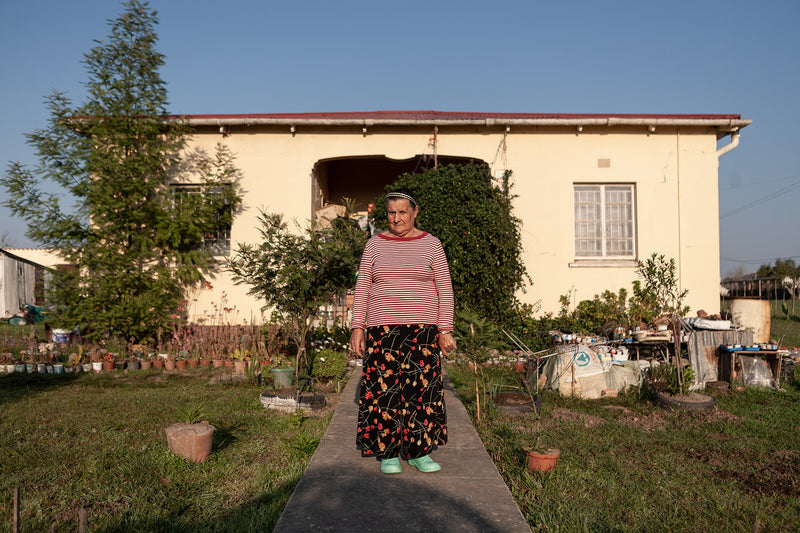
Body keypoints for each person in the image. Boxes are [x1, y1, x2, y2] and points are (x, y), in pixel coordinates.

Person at [349, 187, 457, 475]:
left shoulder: (432, 245)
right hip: (381, 328)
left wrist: (445, 328)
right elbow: (363, 289)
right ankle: (389, 453)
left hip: (422, 329)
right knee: (386, 393)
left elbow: (444, 289)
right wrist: (357, 327)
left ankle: (419, 452)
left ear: (415, 212)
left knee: (421, 391)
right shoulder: (374, 245)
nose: (396, 219)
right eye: (391, 213)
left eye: (402, 212)